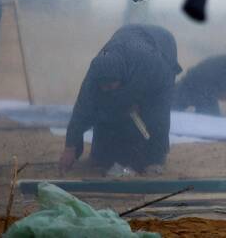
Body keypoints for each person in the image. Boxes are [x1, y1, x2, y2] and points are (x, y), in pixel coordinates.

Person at [59, 24, 182, 174]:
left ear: (122, 78)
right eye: (103, 86)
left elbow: (158, 105)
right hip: (129, 39)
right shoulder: (94, 74)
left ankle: (154, 159)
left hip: (162, 48)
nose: (106, 89)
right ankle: (100, 155)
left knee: (155, 112)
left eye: (110, 85)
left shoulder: (148, 65)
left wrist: (134, 101)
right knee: (106, 105)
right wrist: (70, 147)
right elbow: (83, 108)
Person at [172, 47, 226, 119]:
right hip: (187, 88)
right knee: (168, 114)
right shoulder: (216, 65)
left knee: (212, 123)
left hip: (207, 96)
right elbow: (212, 92)